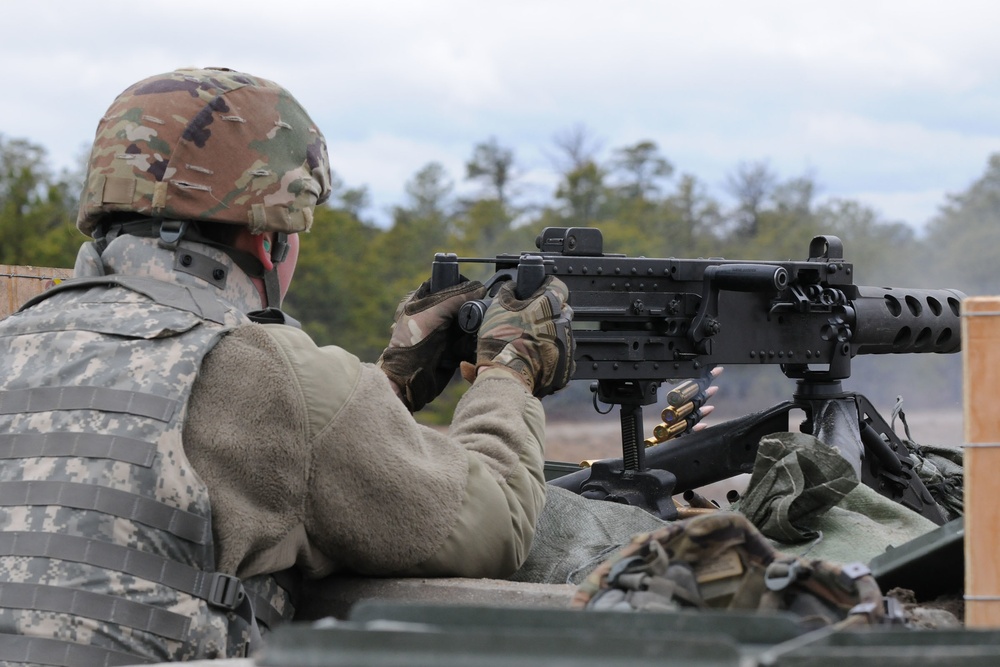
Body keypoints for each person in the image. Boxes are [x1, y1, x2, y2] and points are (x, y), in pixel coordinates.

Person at [0, 67, 574, 665]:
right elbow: (497, 522)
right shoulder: (273, 372)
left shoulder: (12, 339)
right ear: (266, 241)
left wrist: (389, 386)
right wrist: (511, 369)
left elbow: (259, 447)